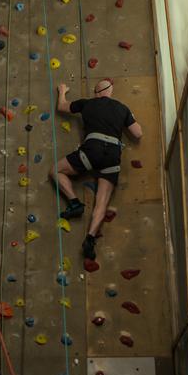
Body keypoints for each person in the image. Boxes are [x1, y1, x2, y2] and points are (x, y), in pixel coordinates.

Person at [49, 78, 143, 260]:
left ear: (96, 92)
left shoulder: (87, 104)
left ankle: (75, 203)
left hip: (92, 149)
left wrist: (62, 91)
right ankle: (90, 239)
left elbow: (62, 107)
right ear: (110, 91)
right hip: (112, 155)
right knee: (101, 203)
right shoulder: (123, 108)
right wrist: (128, 118)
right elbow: (138, 133)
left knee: (55, 170)